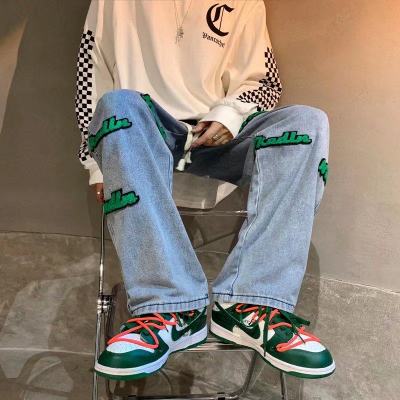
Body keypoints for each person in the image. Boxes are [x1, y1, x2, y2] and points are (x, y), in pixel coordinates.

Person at [74, 0, 335, 382]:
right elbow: (91, 74)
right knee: (116, 103)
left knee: (307, 122)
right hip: (143, 129)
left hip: (219, 135)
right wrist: (96, 163)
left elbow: (264, 82)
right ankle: (169, 307)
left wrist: (228, 115)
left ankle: (251, 306)